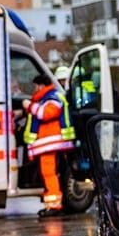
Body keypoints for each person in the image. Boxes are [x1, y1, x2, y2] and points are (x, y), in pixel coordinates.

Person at [22, 75, 74, 216]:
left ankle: (54, 206)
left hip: (49, 144)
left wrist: (30, 106)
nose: (35, 89)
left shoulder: (53, 97)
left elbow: (46, 113)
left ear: (41, 86)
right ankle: (52, 205)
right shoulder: (47, 97)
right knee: (49, 174)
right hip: (48, 144)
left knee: (49, 174)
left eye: (36, 86)